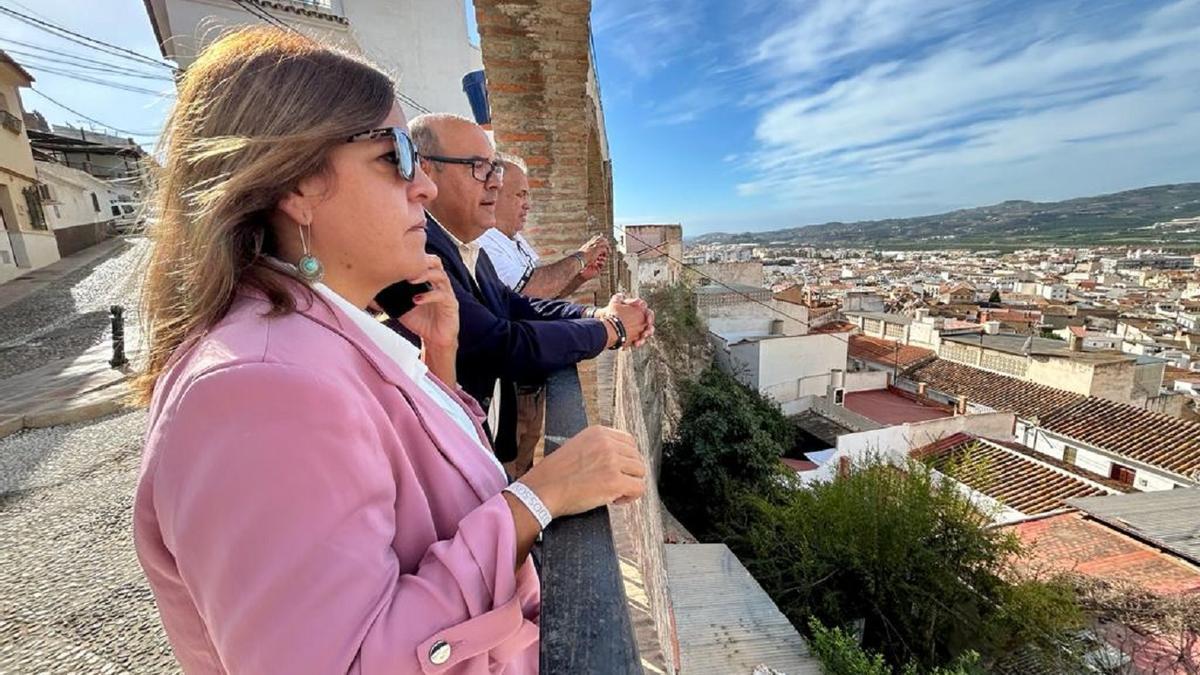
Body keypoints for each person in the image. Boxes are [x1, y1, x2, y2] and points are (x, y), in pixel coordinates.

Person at [131, 27, 645, 674]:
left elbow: (415, 494)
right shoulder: (255, 386)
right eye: (394, 155)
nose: (422, 186)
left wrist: (442, 360)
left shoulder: (319, 333)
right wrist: (538, 497)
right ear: (297, 183)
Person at [393, 113, 654, 464]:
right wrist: (612, 329)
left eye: (494, 169)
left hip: (481, 439)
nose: (494, 183)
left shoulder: (468, 248)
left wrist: (595, 313)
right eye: (478, 167)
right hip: (443, 458)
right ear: (425, 169)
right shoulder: (418, 252)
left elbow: (517, 304)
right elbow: (498, 343)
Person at [477, 153, 609, 299]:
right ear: (493, 193)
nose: (527, 205)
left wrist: (579, 277)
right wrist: (582, 256)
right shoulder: (481, 241)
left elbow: (541, 299)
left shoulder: (515, 238)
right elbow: (529, 291)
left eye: (527, 196)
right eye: (520, 195)